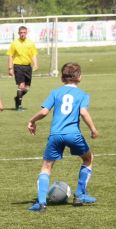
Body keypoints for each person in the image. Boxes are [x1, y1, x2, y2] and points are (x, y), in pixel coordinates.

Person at [26, 62, 99, 212]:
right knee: (88, 158)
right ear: (79, 77)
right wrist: (93, 129)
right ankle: (80, 195)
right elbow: (83, 112)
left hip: (56, 135)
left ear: (62, 78)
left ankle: (41, 203)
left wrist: (32, 121)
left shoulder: (55, 92)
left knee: (47, 166)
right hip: (73, 134)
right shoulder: (82, 94)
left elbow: (44, 112)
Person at [6, 25, 38, 111]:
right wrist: (10, 68)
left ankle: (17, 98)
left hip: (28, 67)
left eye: (24, 32)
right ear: (18, 33)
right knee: (21, 86)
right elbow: (10, 55)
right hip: (18, 66)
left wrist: (35, 64)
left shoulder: (31, 43)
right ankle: (19, 106)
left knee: (26, 88)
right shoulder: (14, 43)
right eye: (21, 33)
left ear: (26, 33)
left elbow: (34, 54)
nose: (22, 34)